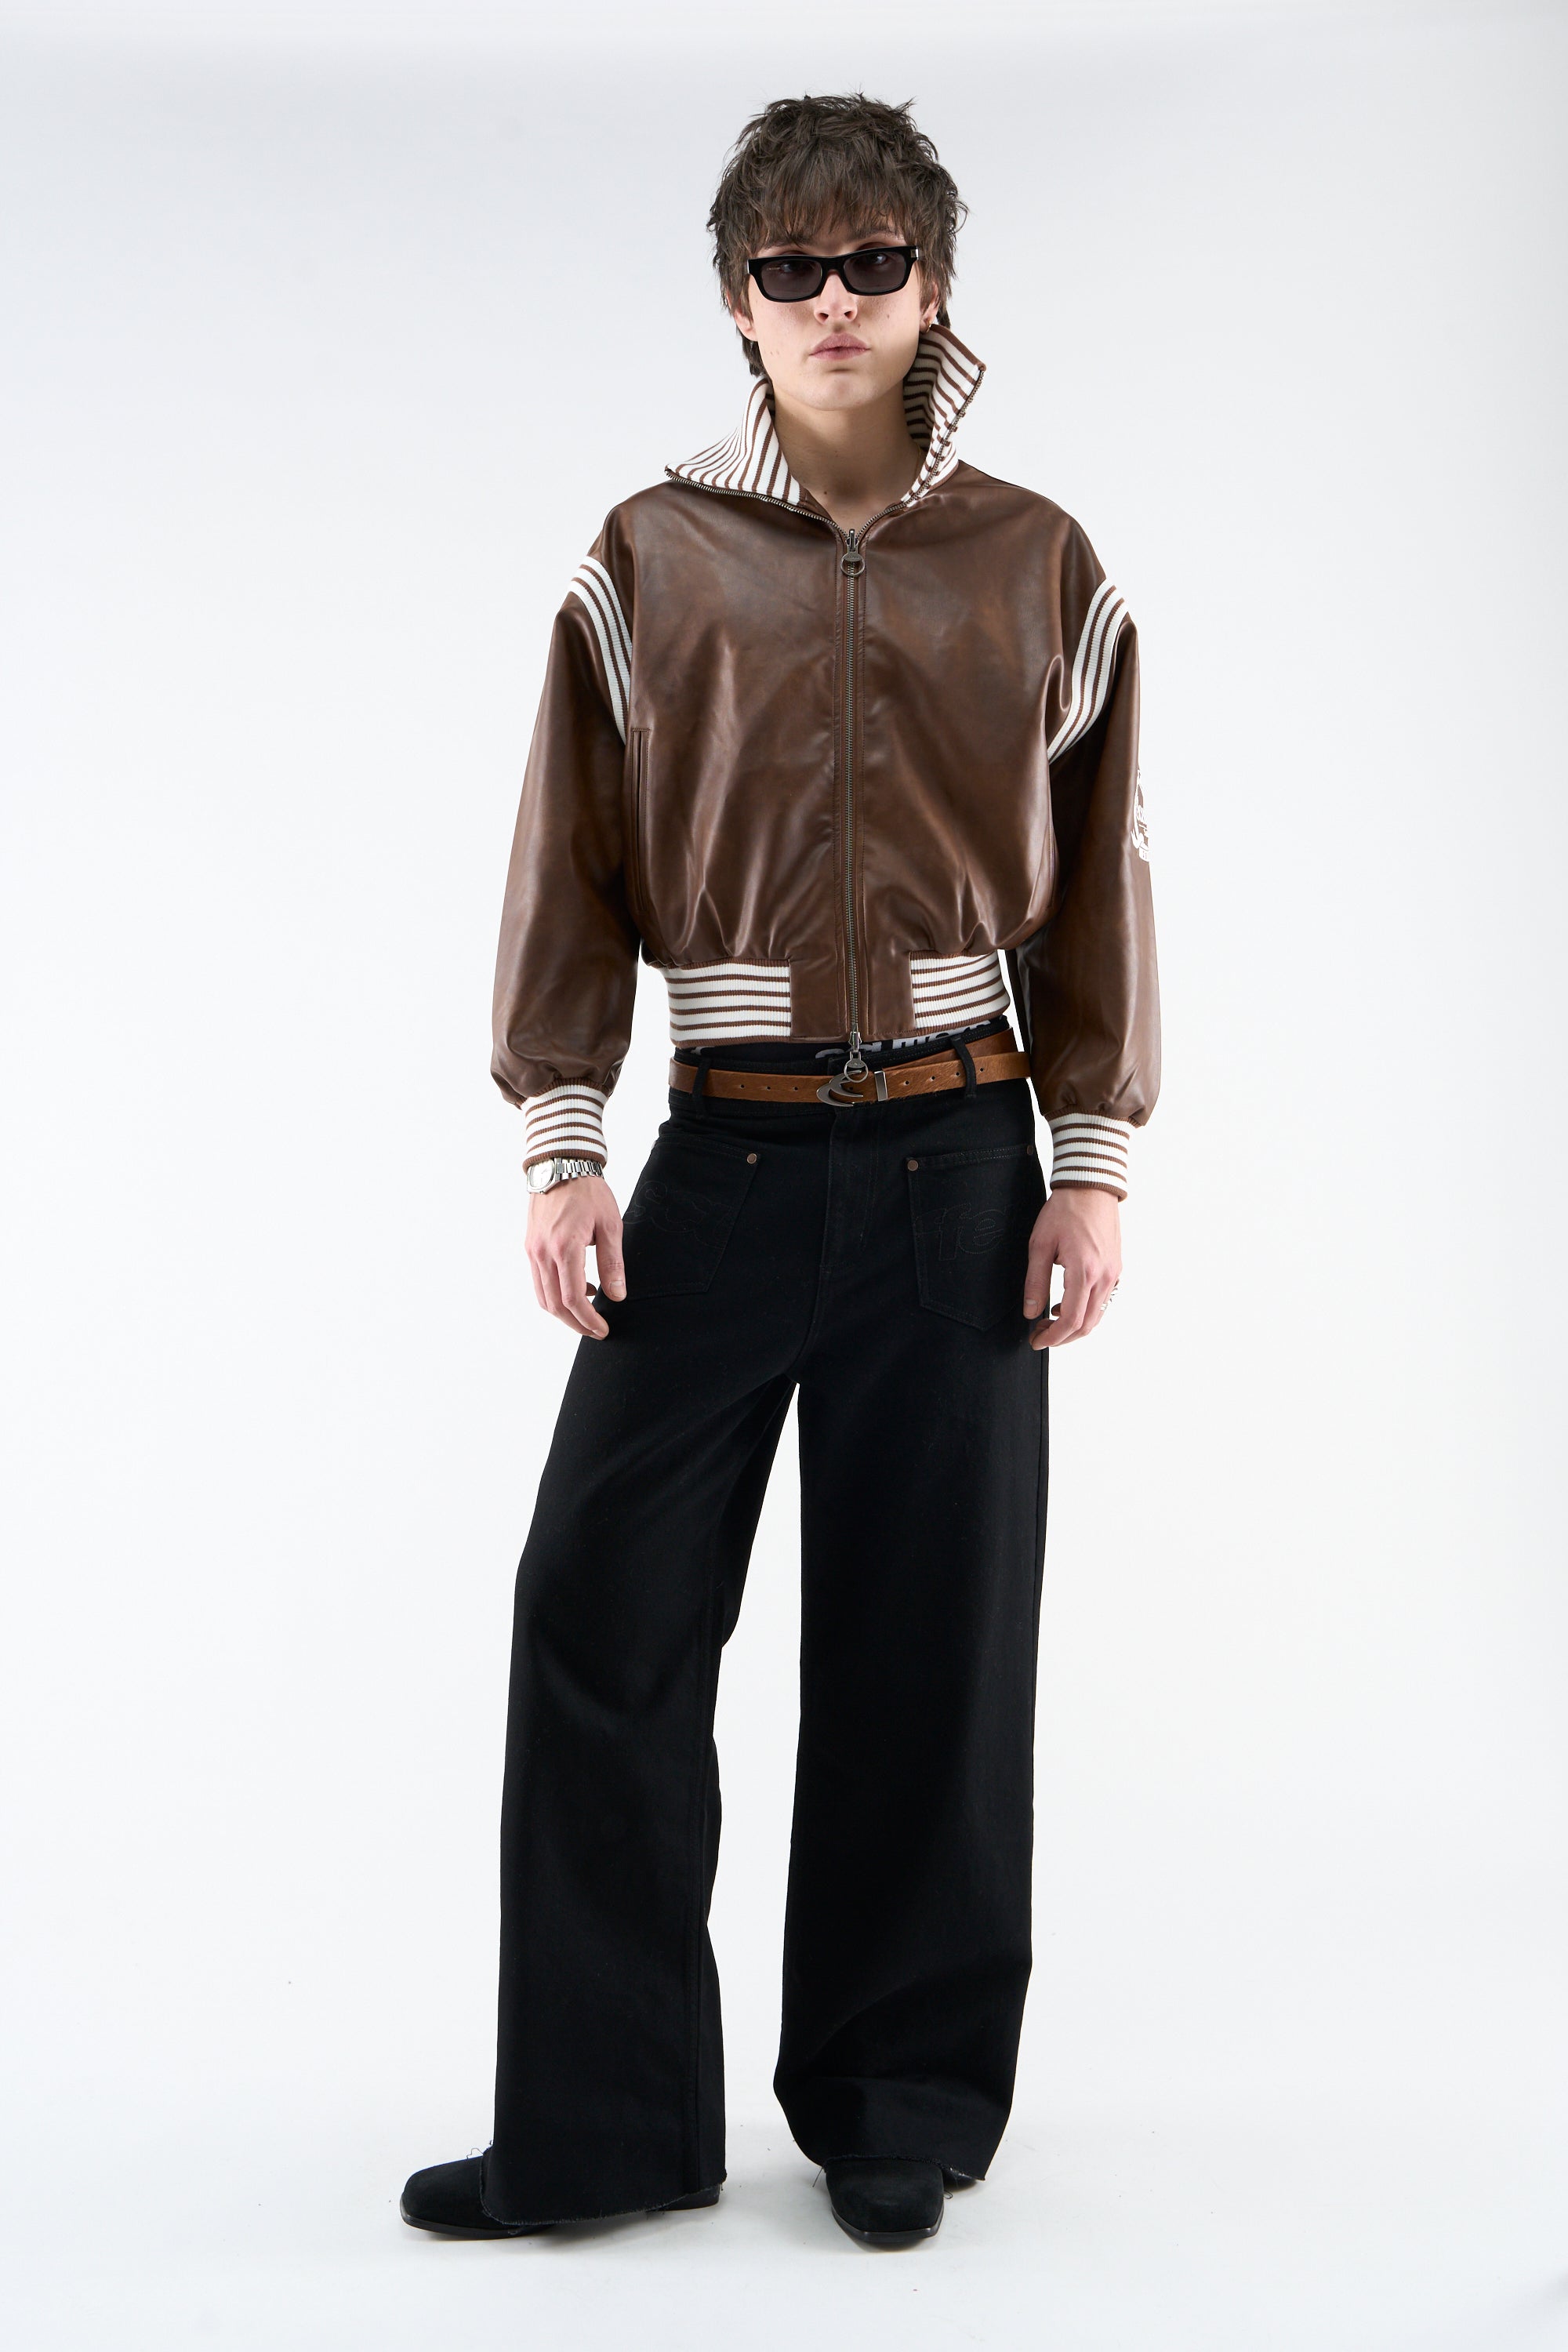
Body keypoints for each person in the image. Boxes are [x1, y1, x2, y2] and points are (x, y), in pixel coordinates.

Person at [401, 89, 1159, 2252]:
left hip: (964, 1157)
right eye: (791, 268)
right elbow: (568, 858)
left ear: (935, 288)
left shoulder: (1041, 562)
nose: (835, 301)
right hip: (719, 1161)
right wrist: (563, 1136)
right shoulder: (649, 556)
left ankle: (898, 2103)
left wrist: (1092, 1160)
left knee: (933, 1643)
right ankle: (603, 2128)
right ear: (737, 301)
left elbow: (1105, 877)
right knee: (599, 1611)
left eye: (873, 264)